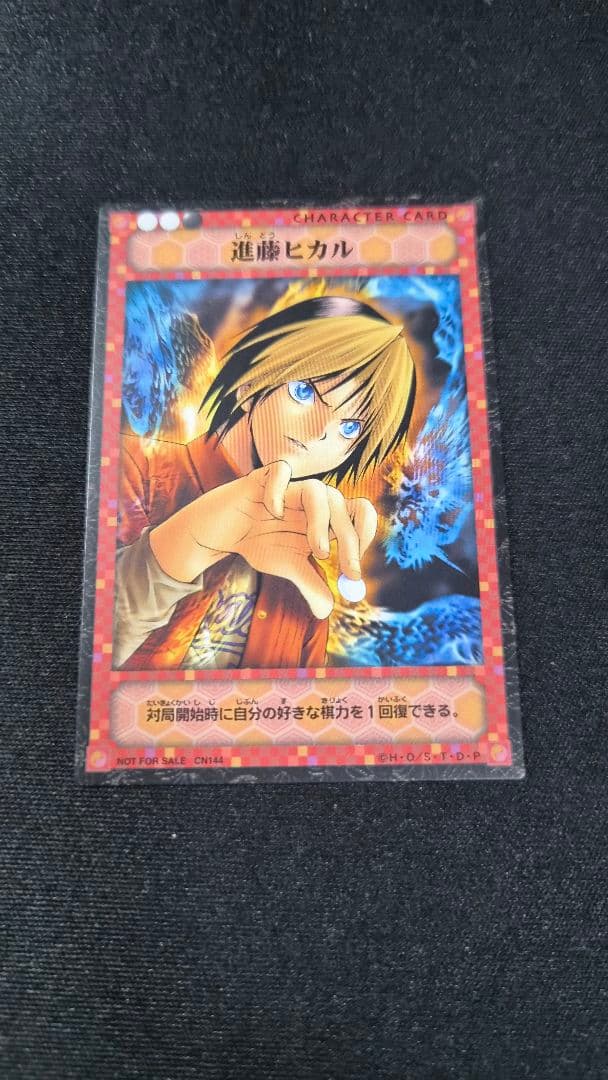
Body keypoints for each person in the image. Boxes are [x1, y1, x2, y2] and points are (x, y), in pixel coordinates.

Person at [115, 295, 416, 670]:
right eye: (304, 391)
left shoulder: (302, 589)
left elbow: (302, 703)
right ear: (251, 382)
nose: (319, 433)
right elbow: (90, 648)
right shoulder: (133, 468)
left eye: (350, 428)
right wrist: (189, 541)